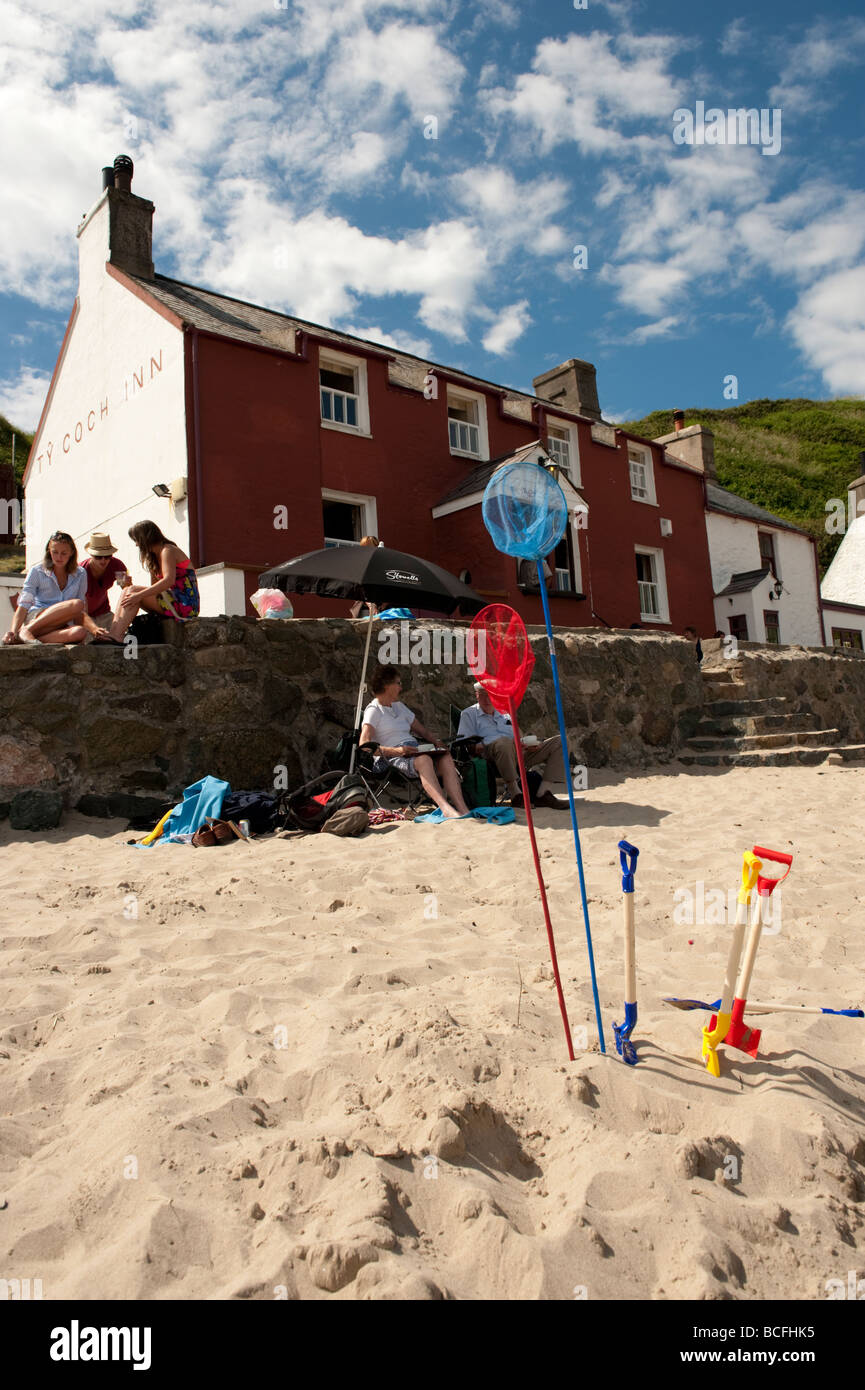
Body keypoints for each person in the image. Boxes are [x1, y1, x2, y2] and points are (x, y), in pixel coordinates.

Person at [360, 664, 469, 819]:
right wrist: (398, 751)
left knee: (445, 757)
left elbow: (423, 731)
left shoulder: (399, 707)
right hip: (391, 756)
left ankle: (463, 809)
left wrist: (437, 743)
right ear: (386, 685)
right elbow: (364, 745)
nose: (401, 687)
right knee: (424, 759)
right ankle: (446, 809)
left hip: (414, 750)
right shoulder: (374, 711)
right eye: (398, 683)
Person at [457, 682, 568, 809]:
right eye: (483, 695)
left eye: (491, 695)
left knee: (561, 742)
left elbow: (519, 737)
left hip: (518, 753)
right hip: (491, 756)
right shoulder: (469, 714)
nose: (487, 700)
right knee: (503, 742)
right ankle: (516, 795)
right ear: (477, 695)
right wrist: (488, 745)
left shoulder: (505, 712)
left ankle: (542, 794)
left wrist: (526, 745)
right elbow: (465, 745)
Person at [1, 530, 114, 645]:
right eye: (55, 552)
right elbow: (23, 606)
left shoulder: (80, 573)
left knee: (80, 632)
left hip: (62, 623)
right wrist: (13, 632)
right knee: (77, 604)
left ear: (71, 553)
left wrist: (94, 629)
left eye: (64, 553)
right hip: (38, 617)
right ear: (49, 551)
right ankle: (27, 630)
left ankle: (24, 639)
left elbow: (80, 613)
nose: (59, 557)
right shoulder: (37, 571)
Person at [110, 521, 199, 639]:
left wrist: (139, 595)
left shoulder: (168, 550)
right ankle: (113, 633)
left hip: (185, 604)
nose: (136, 545)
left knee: (133, 591)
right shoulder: (153, 558)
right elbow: (155, 588)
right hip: (170, 600)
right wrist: (132, 589)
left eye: (137, 540)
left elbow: (168, 581)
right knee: (129, 590)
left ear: (145, 538)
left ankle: (117, 635)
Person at [81, 531, 132, 636]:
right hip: (84, 617)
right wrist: (92, 627)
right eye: (98, 557)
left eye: (107, 556)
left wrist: (123, 618)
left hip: (104, 613)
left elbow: (127, 591)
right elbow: (81, 608)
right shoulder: (81, 572)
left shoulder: (116, 565)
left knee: (123, 636)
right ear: (91, 555)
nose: (103, 560)